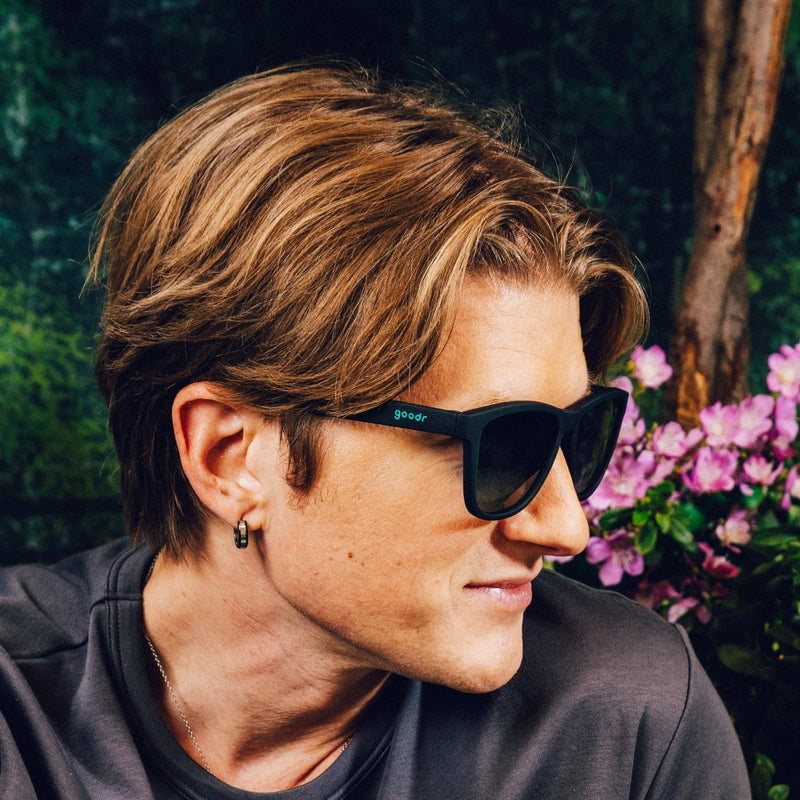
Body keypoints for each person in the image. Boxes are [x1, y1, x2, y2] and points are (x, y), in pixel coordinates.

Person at [0, 62, 750, 799]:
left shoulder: (625, 724)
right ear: (231, 455)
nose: (566, 528)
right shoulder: (21, 725)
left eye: (574, 435)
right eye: (499, 445)